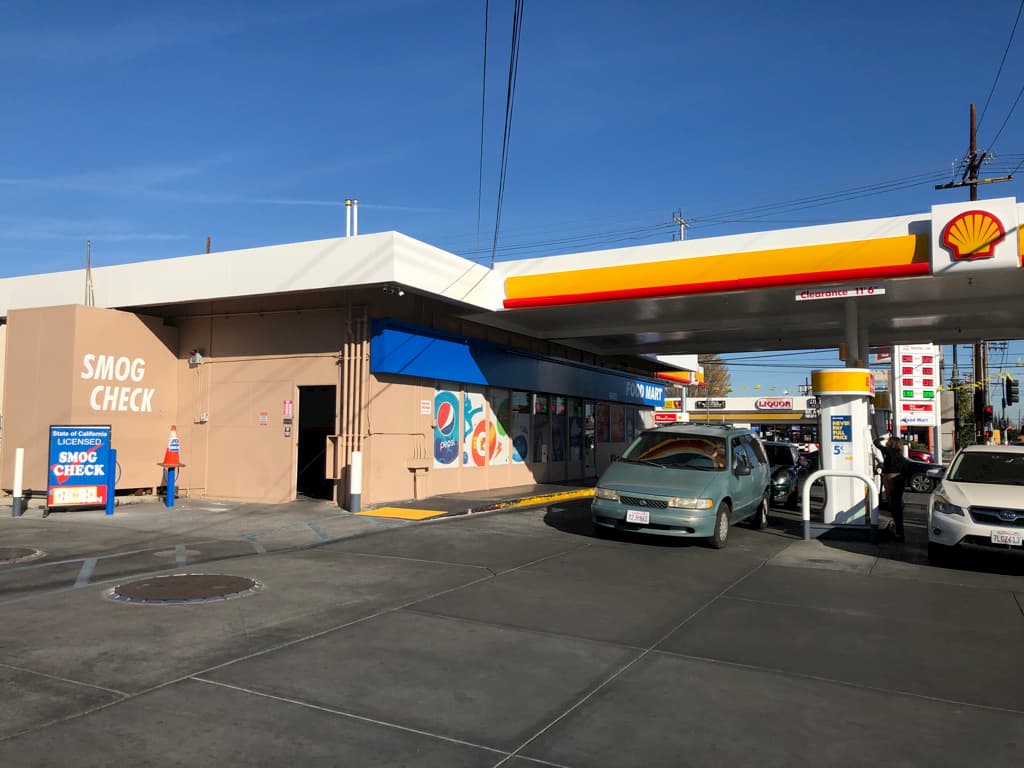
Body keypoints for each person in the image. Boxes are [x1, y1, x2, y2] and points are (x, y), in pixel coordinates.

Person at [874, 434, 907, 541]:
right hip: (899, 479)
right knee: (896, 504)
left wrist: (883, 438)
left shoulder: (889, 451)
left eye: (889, 441)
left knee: (893, 505)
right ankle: (899, 530)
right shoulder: (900, 455)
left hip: (891, 479)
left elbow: (876, 443)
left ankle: (899, 532)